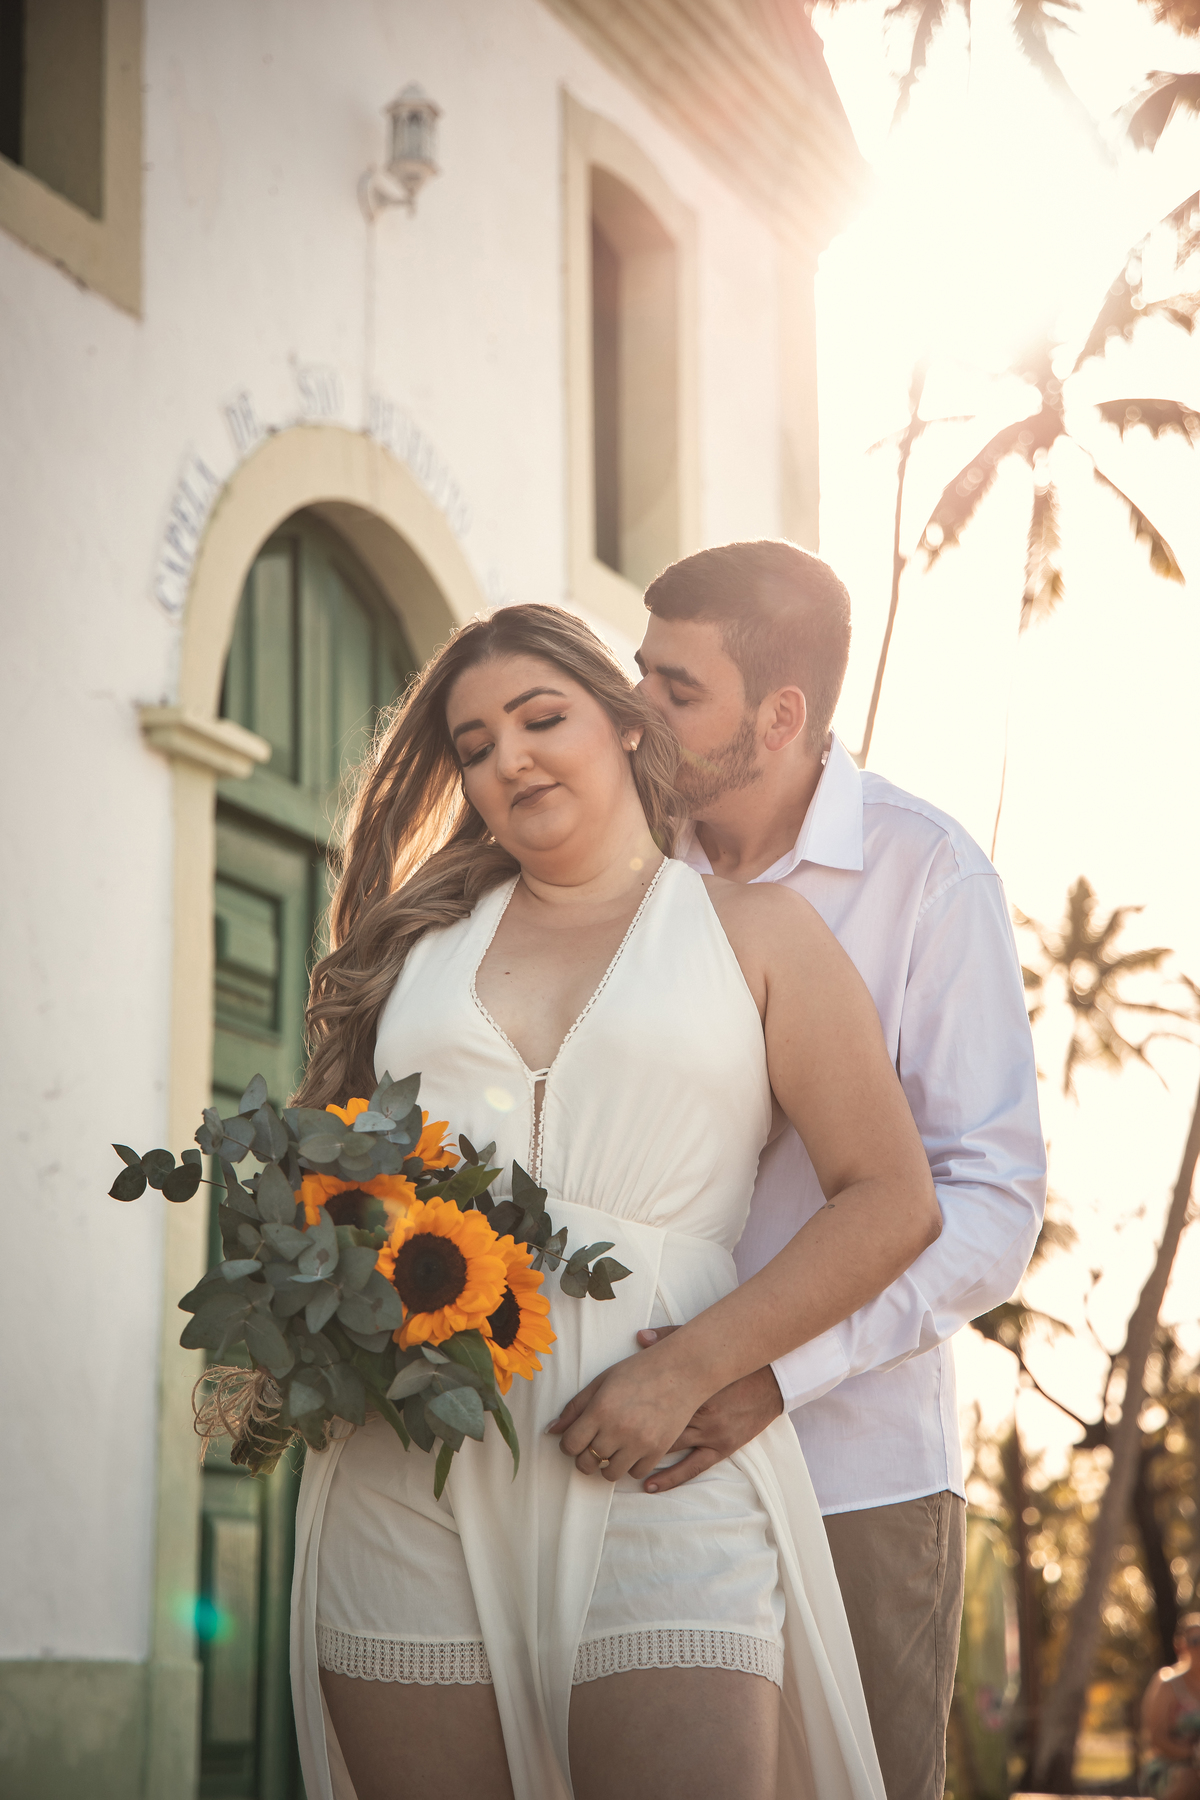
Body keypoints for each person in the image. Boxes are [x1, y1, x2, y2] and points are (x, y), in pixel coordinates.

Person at [286, 603, 941, 1800]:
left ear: (628, 725)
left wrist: (691, 1369)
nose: (510, 758)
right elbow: (336, 1183)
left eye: (542, 718)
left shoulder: (758, 932)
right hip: (409, 1459)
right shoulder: (414, 950)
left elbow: (893, 1198)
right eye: (476, 746)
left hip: (658, 1459)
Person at [629, 540, 1047, 1800]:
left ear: (781, 717)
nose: (636, 711)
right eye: (638, 673)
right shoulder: (623, 872)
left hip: (855, 1479)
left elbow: (991, 1204)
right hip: (633, 1457)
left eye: (676, 689)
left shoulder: (929, 877)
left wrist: (775, 1371)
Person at [1141, 1615, 1200, 1800]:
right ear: (1180, 1646)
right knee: (1190, 1780)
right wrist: (1193, 1754)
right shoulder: (1168, 1683)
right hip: (1172, 1767)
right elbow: (1156, 1738)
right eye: (1195, 1641)